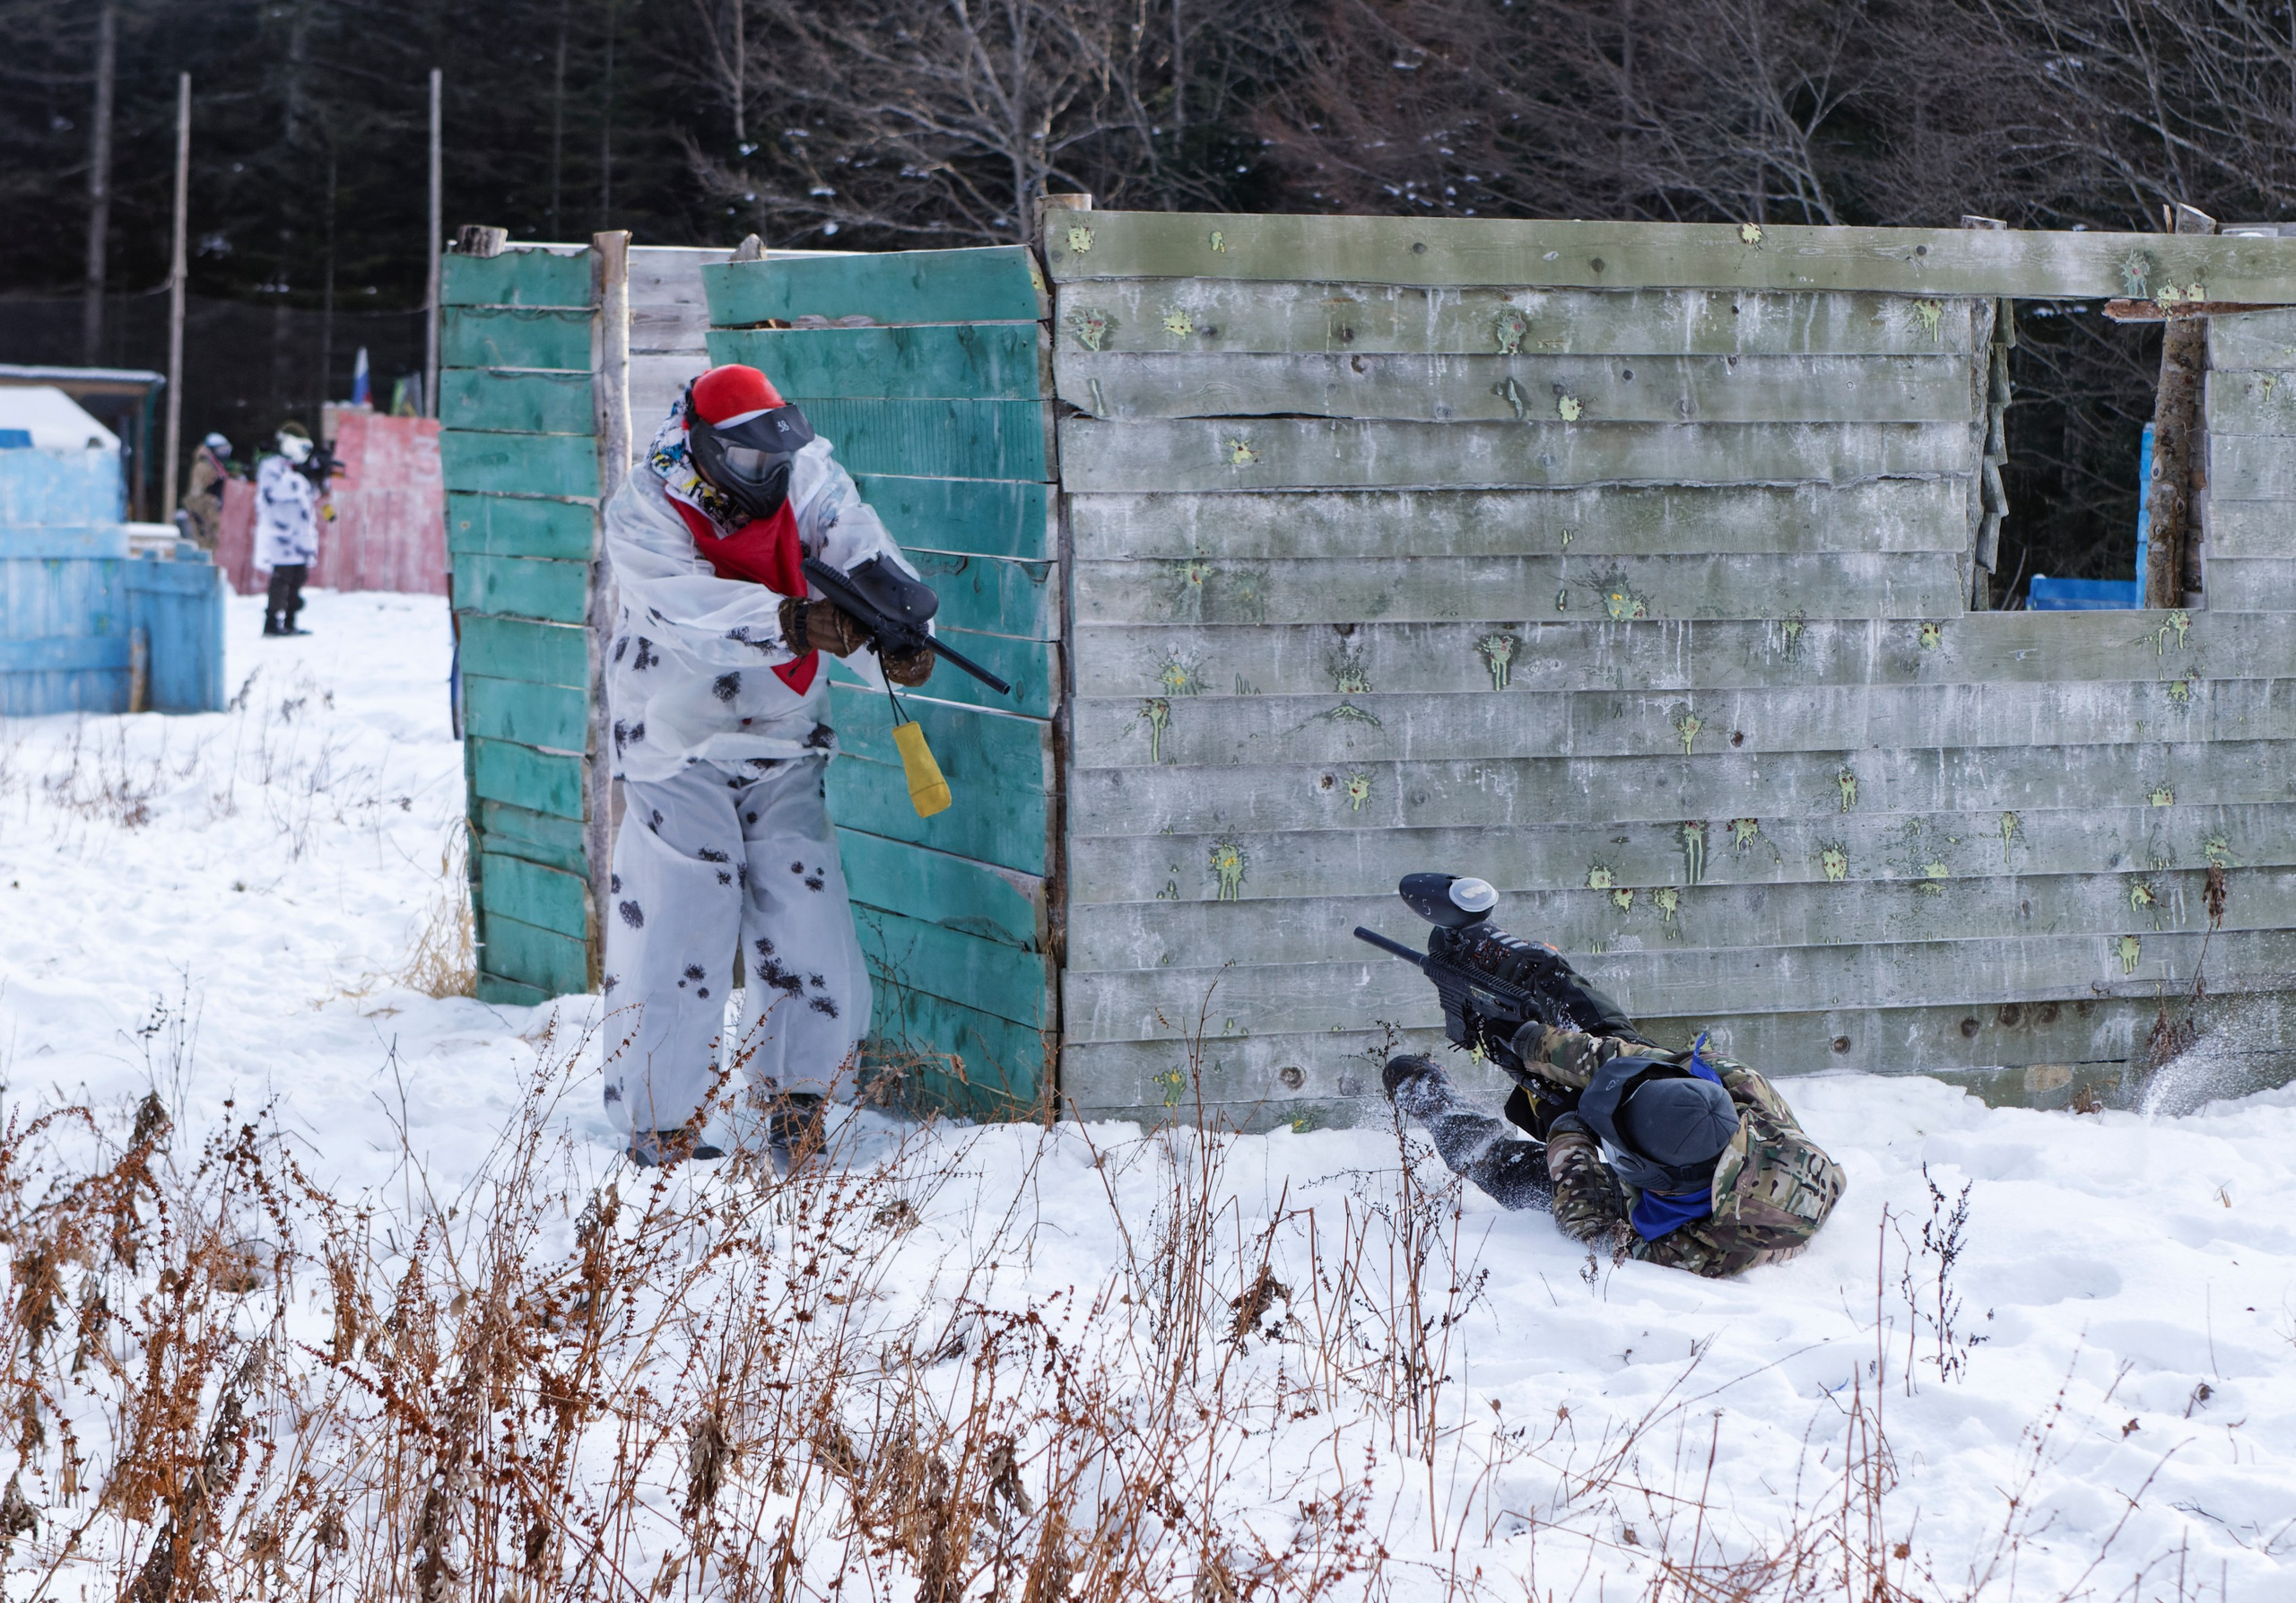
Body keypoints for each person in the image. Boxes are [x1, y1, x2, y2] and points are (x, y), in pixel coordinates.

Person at [599, 362, 935, 1170]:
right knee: (686, 918)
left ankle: (799, 1099)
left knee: (808, 917)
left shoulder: (804, 470)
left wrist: (896, 625)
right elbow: (680, 606)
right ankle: (661, 1120)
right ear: (705, 446)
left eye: (772, 460)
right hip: (675, 738)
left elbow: (854, 538)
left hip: (785, 735)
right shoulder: (647, 502)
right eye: (745, 463)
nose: (764, 477)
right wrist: (791, 619)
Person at [1381, 952, 1845, 1276]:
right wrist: (1531, 1042)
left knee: (1509, 1173)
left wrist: (1567, 1131)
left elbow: (1588, 1226)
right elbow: (1628, 1057)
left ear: (1652, 1176)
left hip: (1658, 1206)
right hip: (1683, 1163)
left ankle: (1435, 1103)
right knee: (1609, 1035)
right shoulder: (1741, 1084)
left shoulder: (1702, 1249)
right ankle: (1537, 967)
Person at [254, 423, 322, 636]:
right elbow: (275, 492)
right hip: (280, 534)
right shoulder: (271, 467)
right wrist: (299, 478)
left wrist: (317, 477)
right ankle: (272, 622)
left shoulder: (293, 470)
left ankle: (291, 621)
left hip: (299, 535)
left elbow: (311, 497)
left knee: (298, 578)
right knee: (281, 580)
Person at [179, 433, 231, 550]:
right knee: (207, 545)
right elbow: (196, 495)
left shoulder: (215, 466)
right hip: (206, 514)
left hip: (212, 512)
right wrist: (212, 504)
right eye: (221, 449)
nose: (225, 452)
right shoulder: (203, 467)